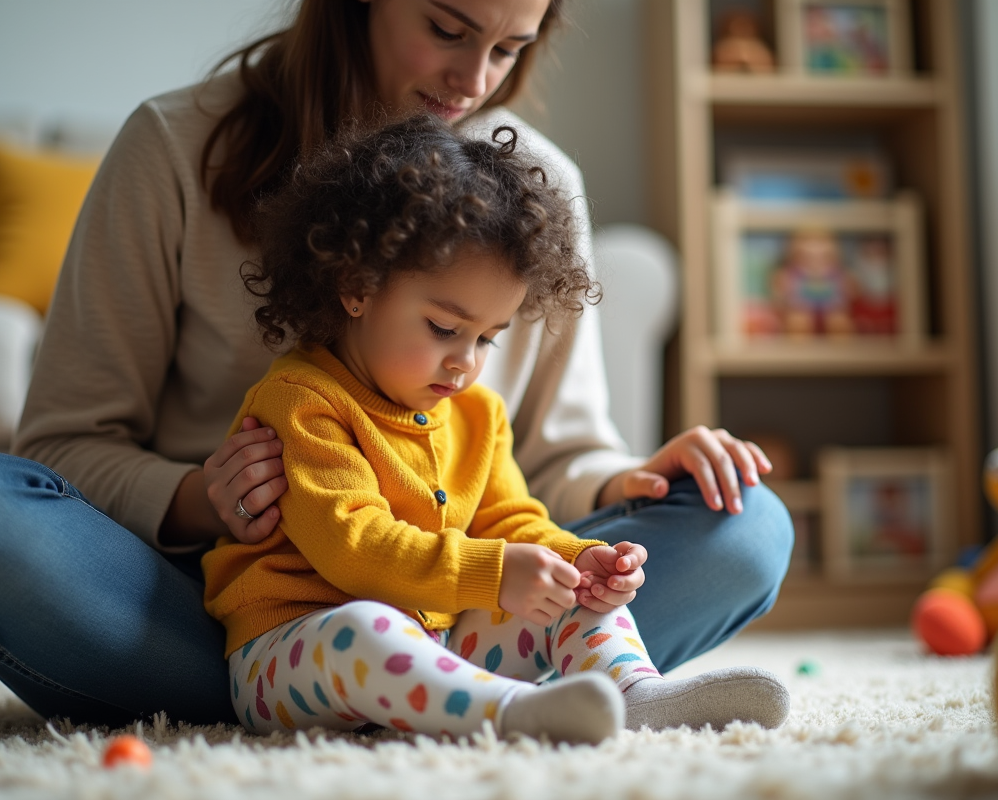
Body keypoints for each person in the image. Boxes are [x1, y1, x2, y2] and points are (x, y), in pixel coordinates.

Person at [0, 0, 794, 729]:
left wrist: (633, 482)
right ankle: (354, 690)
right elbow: (61, 447)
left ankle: (472, 694)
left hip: (457, 600)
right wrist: (204, 498)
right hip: (223, 603)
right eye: (447, 29)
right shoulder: (172, 147)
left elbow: (546, 468)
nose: (473, 81)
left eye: (510, 48)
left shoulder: (535, 187)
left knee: (747, 526)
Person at [204, 113, 789, 742]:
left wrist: (579, 560)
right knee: (369, 630)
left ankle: (633, 694)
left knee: (574, 596)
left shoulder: (478, 412)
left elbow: (513, 521)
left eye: (487, 337)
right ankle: (508, 713)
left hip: (439, 635)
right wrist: (495, 573)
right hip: (293, 650)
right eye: (443, 329)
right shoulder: (302, 400)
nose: (466, 361)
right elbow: (359, 550)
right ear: (356, 288)